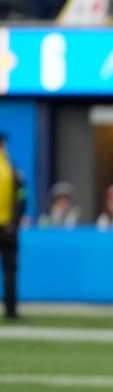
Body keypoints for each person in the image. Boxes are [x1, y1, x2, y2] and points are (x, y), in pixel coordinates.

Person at [0, 133, 26, 320]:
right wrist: (14, 222)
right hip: (8, 228)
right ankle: (10, 311)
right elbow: (21, 198)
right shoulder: (10, 169)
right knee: (10, 270)